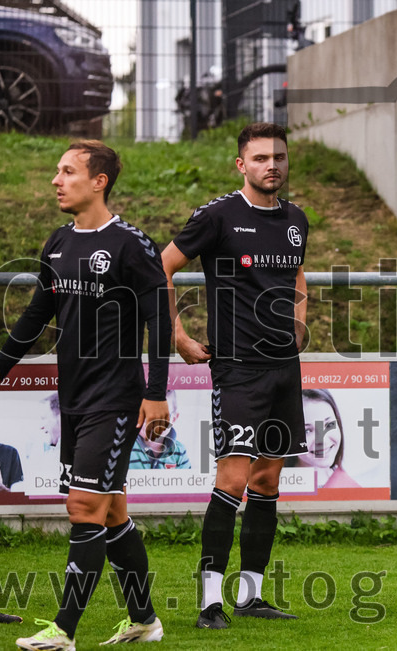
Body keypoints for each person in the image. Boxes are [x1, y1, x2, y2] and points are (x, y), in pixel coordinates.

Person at [0, 140, 169, 648]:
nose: (55, 180)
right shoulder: (59, 243)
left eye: (67, 171)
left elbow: (159, 321)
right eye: (57, 171)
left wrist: (156, 393)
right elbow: (36, 315)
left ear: (98, 181)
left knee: (83, 508)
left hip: (116, 399)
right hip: (75, 400)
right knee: (111, 513)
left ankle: (63, 631)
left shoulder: (133, 245)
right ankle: (145, 621)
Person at [161, 122, 309, 628]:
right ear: (241, 165)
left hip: (284, 369)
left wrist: (301, 317)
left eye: (280, 157)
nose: (273, 165)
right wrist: (177, 335)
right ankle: (209, 602)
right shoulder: (219, 215)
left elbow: (297, 273)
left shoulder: (296, 219)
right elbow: (159, 268)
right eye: (262, 158)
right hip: (238, 369)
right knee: (234, 477)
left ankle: (251, 596)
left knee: (268, 479)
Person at [292, 389, 360, 489]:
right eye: (307, 431)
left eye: (329, 425)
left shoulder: (351, 488)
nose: (322, 441)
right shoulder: (272, 487)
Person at [129, 390, 191, 470]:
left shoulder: (179, 451)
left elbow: (188, 481)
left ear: (174, 418)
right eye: (146, 414)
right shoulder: (125, 447)